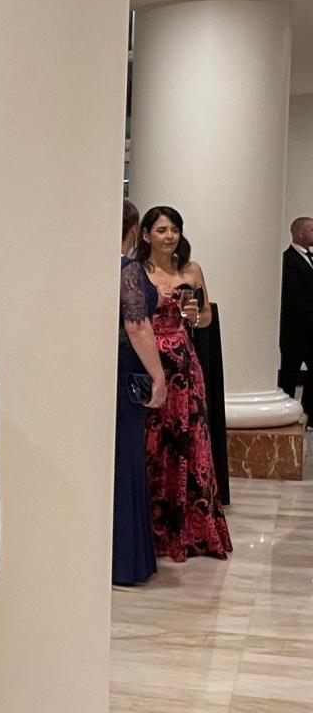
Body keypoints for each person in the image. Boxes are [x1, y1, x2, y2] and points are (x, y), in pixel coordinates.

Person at [134, 205, 231, 561]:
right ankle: (154, 529)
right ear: (146, 235)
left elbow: (205, 317)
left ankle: (192, 530)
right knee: (154, 441)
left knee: (188, 439)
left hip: (184, 364)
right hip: (149, 361)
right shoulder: (139, 271)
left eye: (174, 229)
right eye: (161, 230)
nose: (169, 236)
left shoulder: (192, 270)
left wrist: (195, 315)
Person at [113, 200, 165, 586]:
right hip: (124, 371)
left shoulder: (84, 263)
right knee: (126, 460)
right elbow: (137, 325)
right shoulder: (127, 269)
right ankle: (123, 562)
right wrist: (159, 377)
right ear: (133, 229)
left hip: (98, 371)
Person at [279, 216, 313, 421]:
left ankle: (309, 411)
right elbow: (295, 297)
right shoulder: (289, 259)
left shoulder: (309, 258)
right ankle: (286, 411)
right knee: (290, 373)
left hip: (309, 330)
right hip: (295, 330)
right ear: (300, 234)